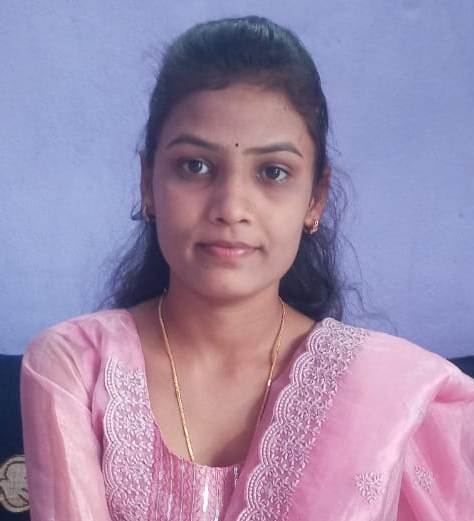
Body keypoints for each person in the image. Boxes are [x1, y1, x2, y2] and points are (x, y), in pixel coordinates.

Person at [20, 15, 474, 521]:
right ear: (148, 183)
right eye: (195, 166)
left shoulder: (394, 393)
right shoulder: (75, 365)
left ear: (315, 199)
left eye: (273, 172)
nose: (231, 207)